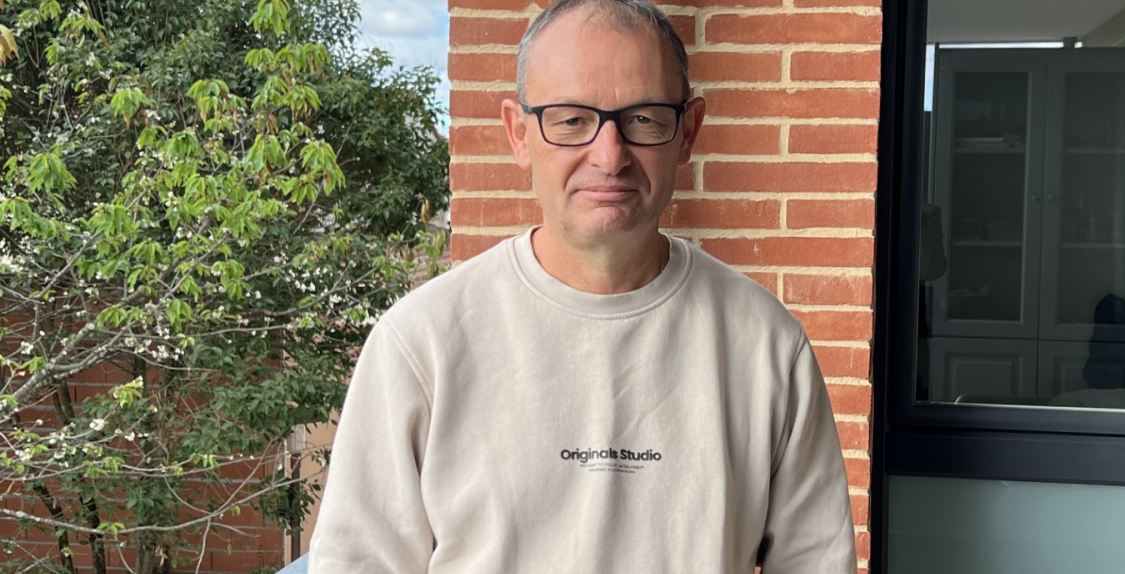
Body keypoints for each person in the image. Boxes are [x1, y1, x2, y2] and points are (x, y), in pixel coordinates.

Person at [306, 0, 855, 571]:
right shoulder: (421, 345)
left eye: (643, 118)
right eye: (571, 120)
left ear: (687, 132)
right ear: (519, 135)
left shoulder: (766, 345)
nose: (610, 155)